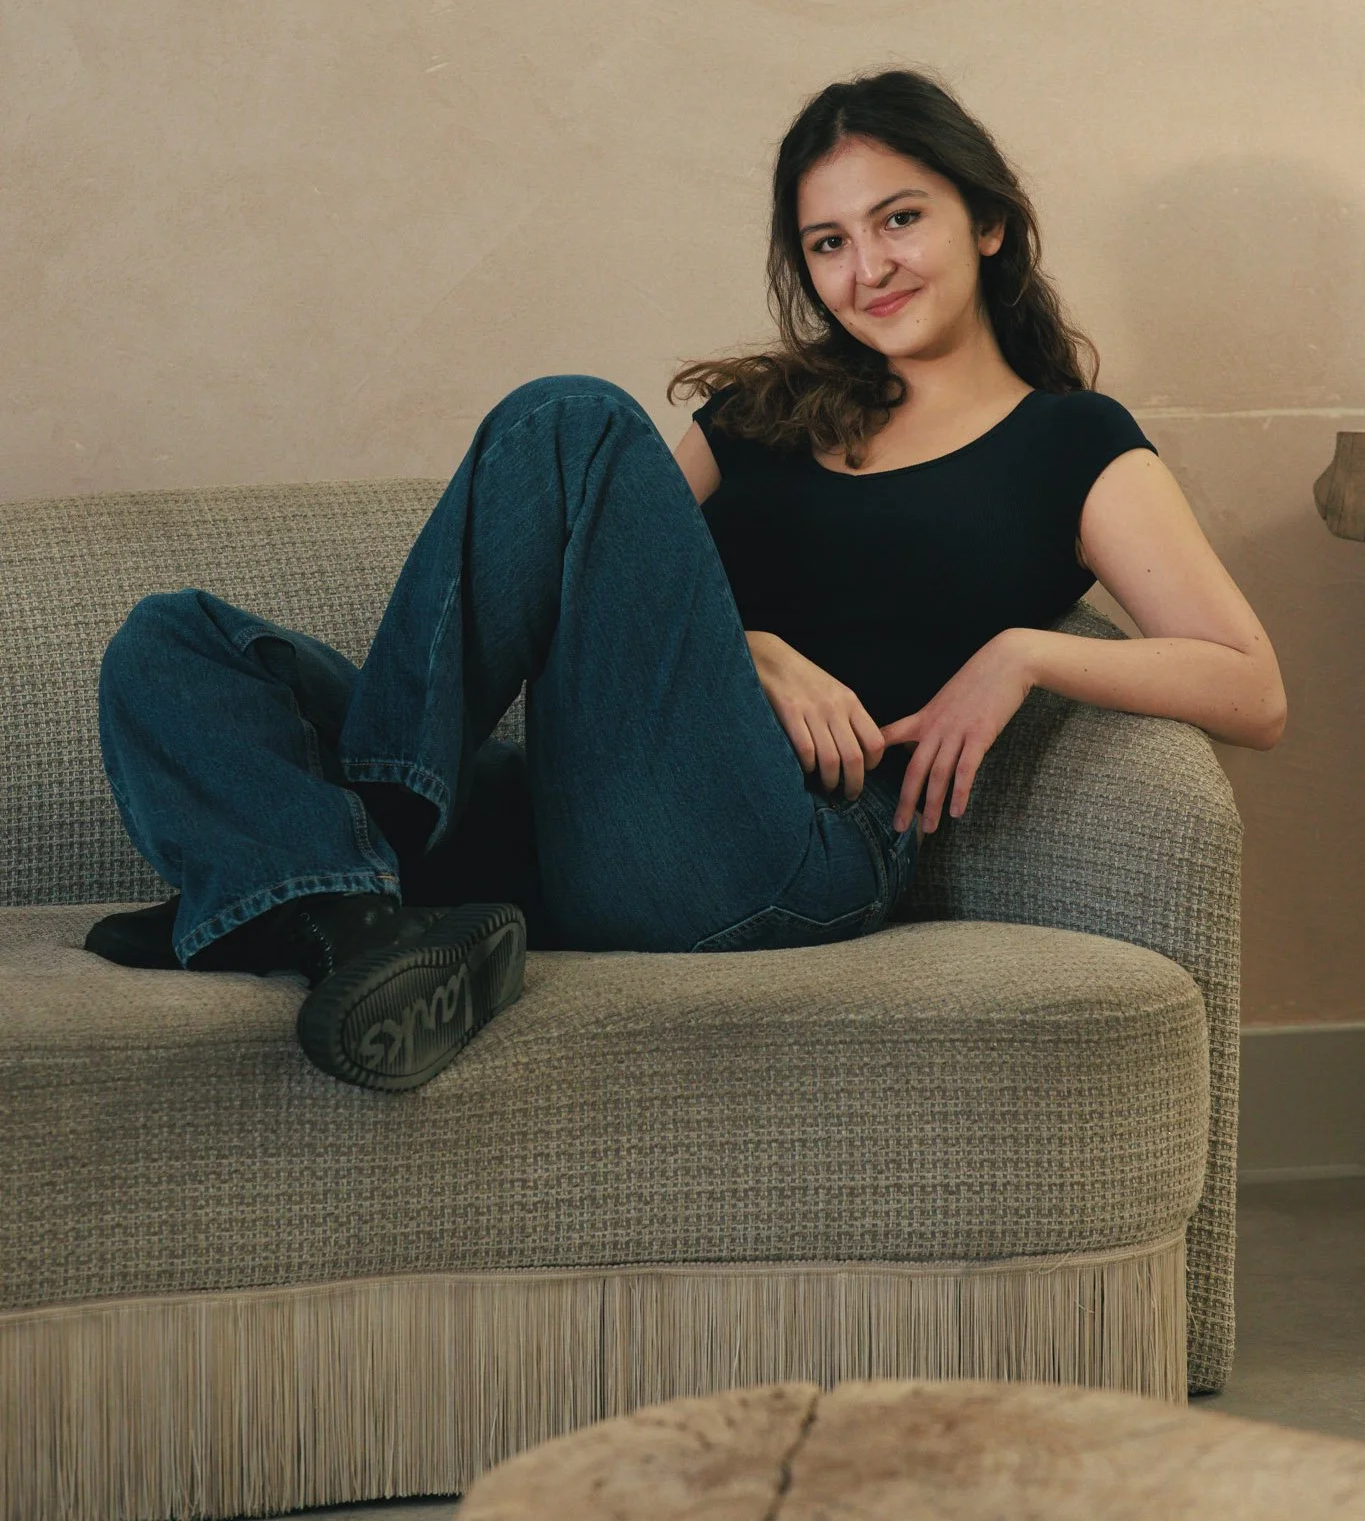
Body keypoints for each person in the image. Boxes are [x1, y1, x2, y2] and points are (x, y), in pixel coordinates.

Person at [86, 68, 1288, 1094]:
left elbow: (1253, 684)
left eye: (900, 219)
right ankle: (356, 920)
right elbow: (605, 573)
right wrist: (754, 647)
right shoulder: (758, 413)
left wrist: (1025, 652)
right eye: (829, 242)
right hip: (592, 824)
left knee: (571, 419)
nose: (867, 266)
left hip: (789, 843)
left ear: (988, 222)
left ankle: (332, 864)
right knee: (172, 641)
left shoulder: (1070, 442)